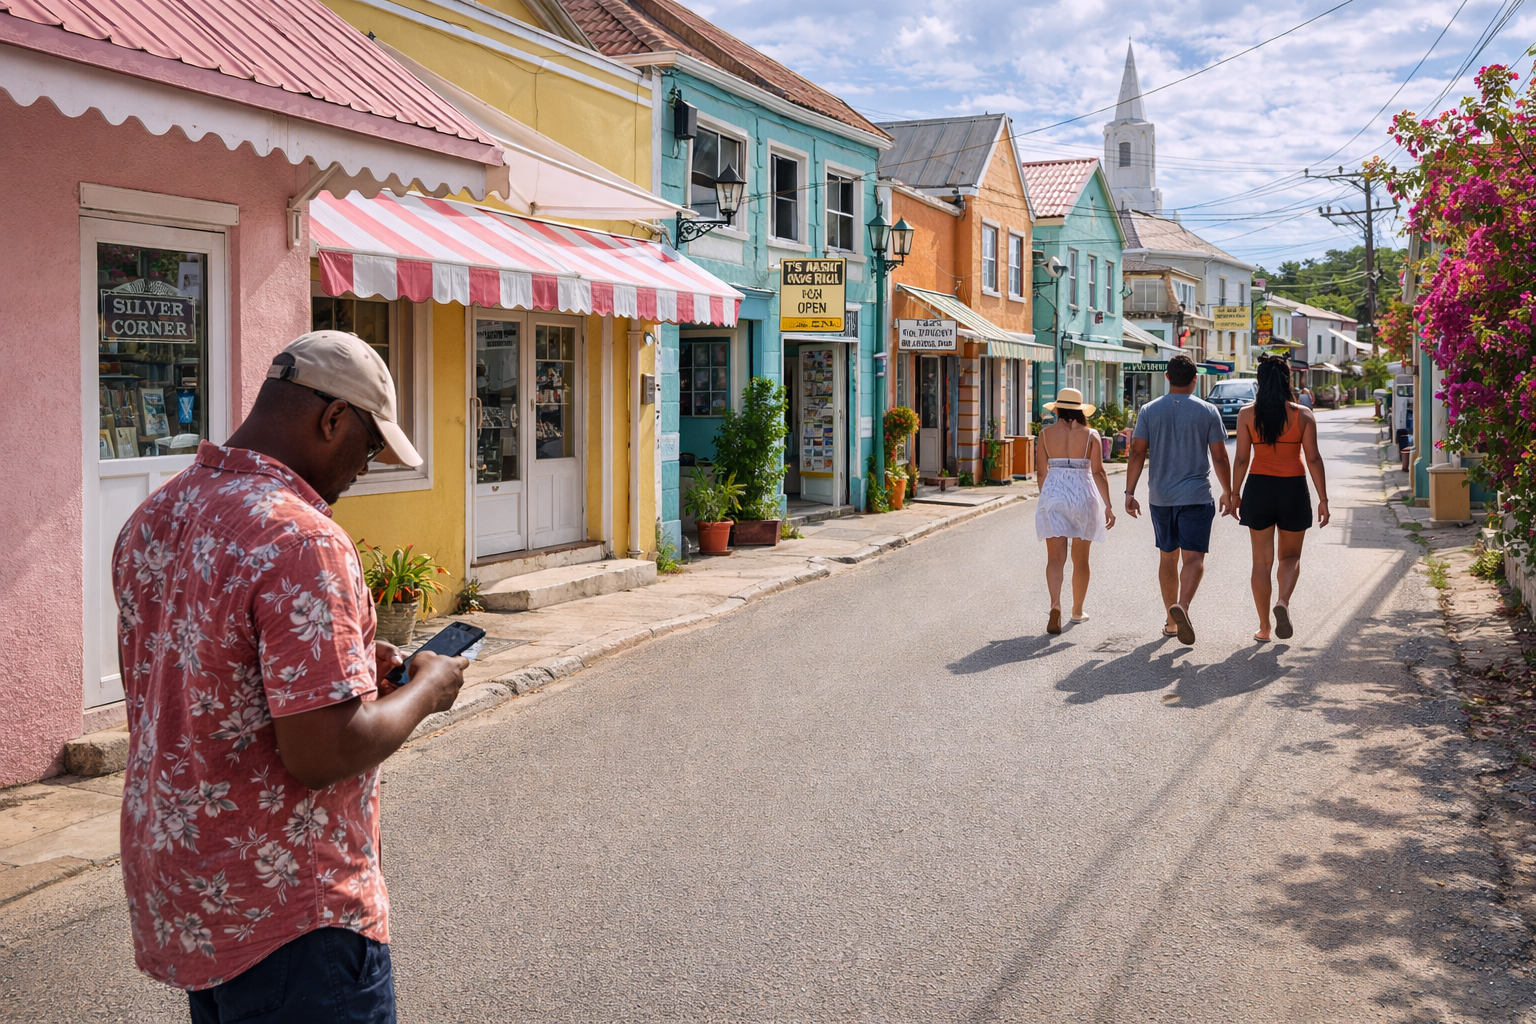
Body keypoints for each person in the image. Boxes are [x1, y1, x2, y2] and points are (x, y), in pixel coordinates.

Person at [112, 331, 468, 1023]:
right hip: (294, 912)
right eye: (368, 448)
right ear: (331, 418)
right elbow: (323, 752)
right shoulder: (300, 538)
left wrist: (352, 672)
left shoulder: (161, 514)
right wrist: (428, 687)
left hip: (193, 883)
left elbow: (211, 679)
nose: (364, 470)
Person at [1124, 354, 1233, 644]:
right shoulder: (1208, 411)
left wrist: (1129, 492)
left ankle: (1172, 623)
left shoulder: (1149, 410)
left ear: (1167, 378)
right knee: (1194, 558)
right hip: (1197, 496)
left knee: (1167, 558)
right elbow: (1220, 456)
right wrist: (1229, 491)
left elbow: (1137, 452)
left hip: (1161, 497)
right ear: (1195, 380)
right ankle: (1182, 607)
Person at [1231, 354, 1330, 641]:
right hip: (1293, 489)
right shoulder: (1303, 415)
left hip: (1259, 488)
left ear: (1259, 381)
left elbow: (1240, 459)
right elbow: (1312, 458)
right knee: (1290, 555)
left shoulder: (1247, 414)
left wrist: (1234, 494)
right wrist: (1323, 498)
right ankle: (1282, 602)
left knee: (1261, 562)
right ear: (1288, 380)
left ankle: (1264, 627)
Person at [1034, 388, 1117, 633]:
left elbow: (1041, 472)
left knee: (1055, 558)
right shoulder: (1091, 434)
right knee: (1081, 560)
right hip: (1084, 494)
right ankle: (1077, 611)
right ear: (1080, 410)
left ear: (1057, 409)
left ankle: (1055, 604)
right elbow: (1098, 472)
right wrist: (1109, 505)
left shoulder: (1045, 435)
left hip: (1054, 493)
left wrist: (1046, 498)